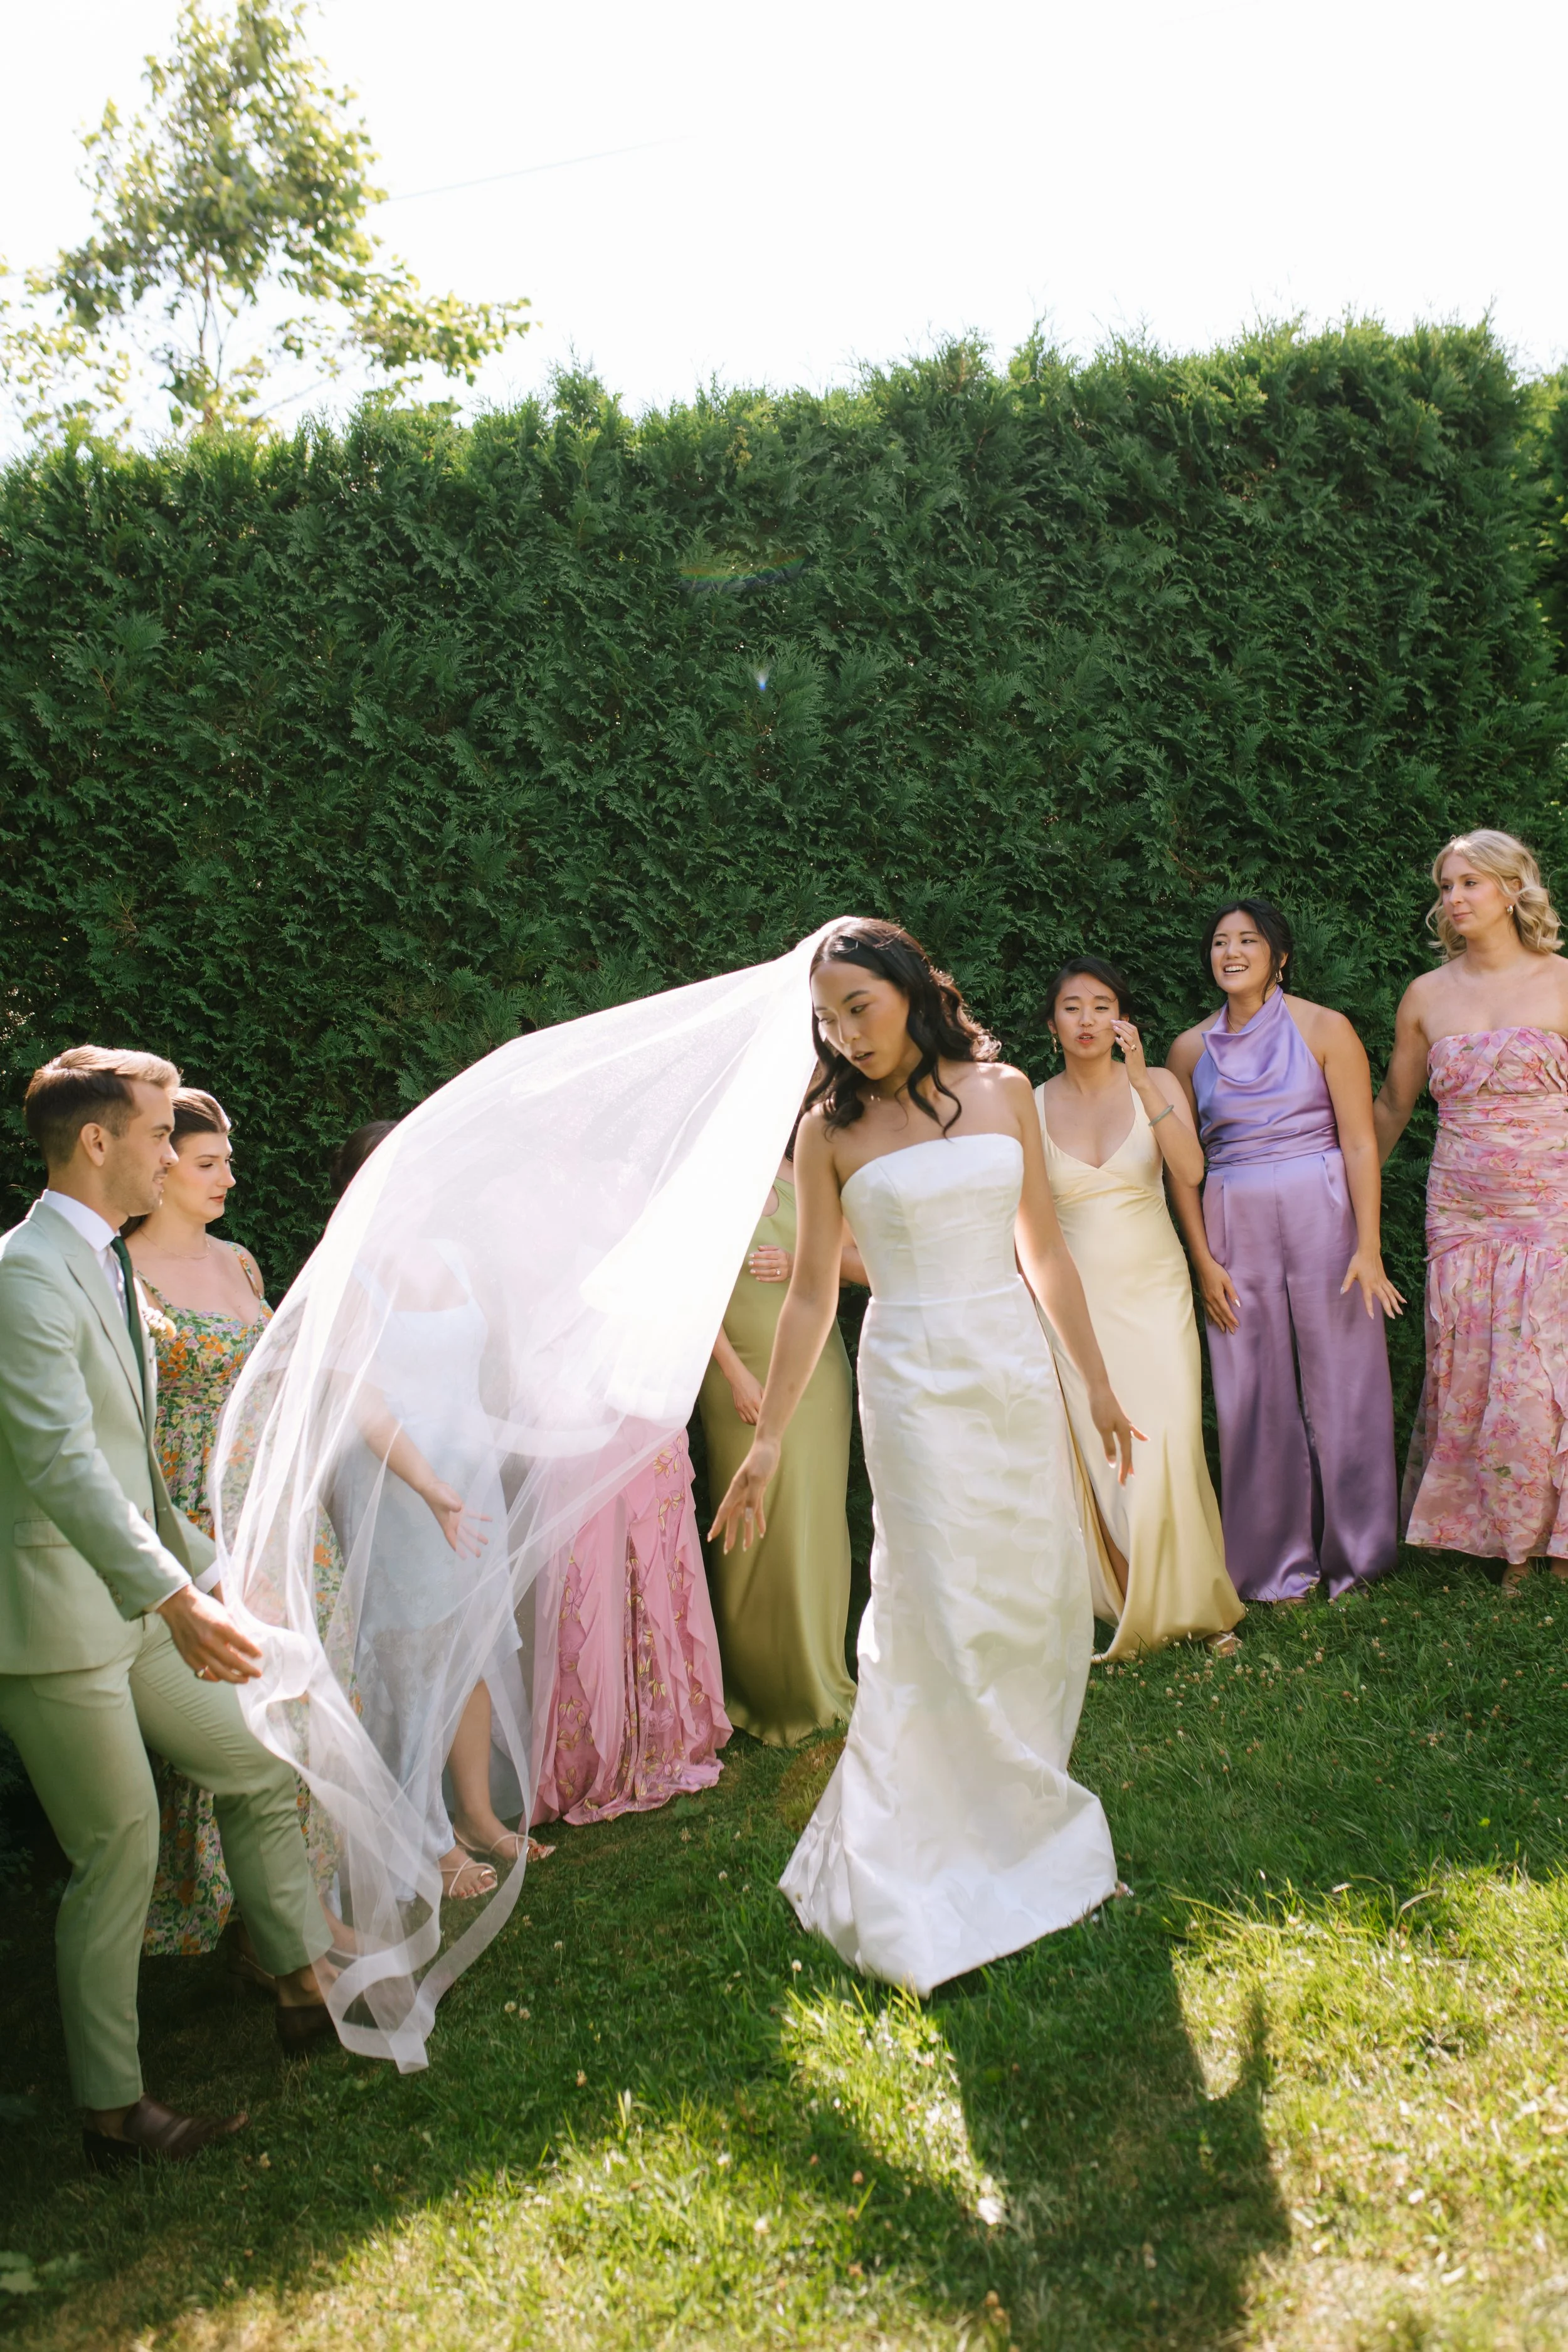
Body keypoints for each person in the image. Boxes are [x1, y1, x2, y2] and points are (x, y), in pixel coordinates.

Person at [711, 919, 1135, 1995]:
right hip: (911, 1376)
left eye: (860, 1006)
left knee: (1033, 1596)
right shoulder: (827, 1135)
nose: (846, 1034)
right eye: (828, 1018)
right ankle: (926, 1845)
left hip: (1008, 1362)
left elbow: (1042, 1247)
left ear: (908, 989)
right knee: (938, 1602)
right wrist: (763, 1449)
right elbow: (810, 1294)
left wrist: (1093, 1380)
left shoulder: (1002, 1092)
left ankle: (1029, 1812)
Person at [0, 1047, 335, 2174]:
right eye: (156, 1134)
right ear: (96, 1143)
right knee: (121, 1844)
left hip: (141, 1598)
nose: (171, 1150)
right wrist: (177, 1598)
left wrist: (211, 1571)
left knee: (256, 1758)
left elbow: (134, 1460)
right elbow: (60, 1464)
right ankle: (113, 2111)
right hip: (53, 1618)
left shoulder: (106, 1264)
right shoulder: (26, 1274)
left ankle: (300, 1986)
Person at [1168, 902, 1402, 1603]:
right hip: (1231, 1215)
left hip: (1322, 1210)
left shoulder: (1325, 1028)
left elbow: (1360, 1142)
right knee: (1250, 1386)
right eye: (1219, 941)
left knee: (1346, 1380)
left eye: (1248, 940)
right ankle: (1273, 1568)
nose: (1231, 951)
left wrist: (1368, 1246)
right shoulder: (1187, 1051)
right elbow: (1183, 1166)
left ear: (1280, 956)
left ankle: (1359, 1557)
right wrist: (1203, 1258)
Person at [1375, 829, 1568, 1592]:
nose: (1451, 899)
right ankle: (1503, 1540)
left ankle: (1555, 1542)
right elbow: (1392, 1105)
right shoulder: (1427, 995)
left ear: (1513, 888)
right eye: (1445, 886)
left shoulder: (1561, 981)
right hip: (1460, 1216)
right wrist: (1338, 1192)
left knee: (1541, 1374)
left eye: (1468, 884)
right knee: (1477, 1371)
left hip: (1552, 1208)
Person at [1037, 960, 1241, 1657]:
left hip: (1154, 1293)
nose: (1088, 1020)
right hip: (1074, 1306)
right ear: (1051, 1023)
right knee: (1106, 1454)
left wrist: (1140, 1077)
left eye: (1102, 1006)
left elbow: (1189, 1171)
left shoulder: (1156, 1085)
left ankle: (1202, 1606)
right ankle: (1132, 1599)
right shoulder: (1028, 1106)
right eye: (1072, 1007)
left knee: (1171, 1441)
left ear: (1123, 1019)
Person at [124, 1089, 273, 1959]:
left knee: (306, 1687)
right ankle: (243, 1912)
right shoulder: (123, 1276)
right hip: (191, 1510)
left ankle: (301, 1902)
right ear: (162, 1164)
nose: (227, 1177)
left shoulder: (243, 1262)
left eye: (227, 1160)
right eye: (208, 1162)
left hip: (269, 1497)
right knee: (231, 1700)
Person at [698, 1143, 859, 1743]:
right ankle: (757, 1689)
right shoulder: (707, 1184)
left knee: (813, 1521)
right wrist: (736, 1374)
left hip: (816, 1379)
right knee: (749, 1527)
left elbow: (858, 1259)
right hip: (737, 1383)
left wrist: (801, 1263)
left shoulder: (810, 1176)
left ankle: (820, 1678)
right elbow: (688, 1289)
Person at [531, 1429, 731, 1823]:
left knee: (659, 1569)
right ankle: (592, 1753)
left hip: (651, 1416)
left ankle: (662, 1732)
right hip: (581, 1420)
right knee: (589, 1576)